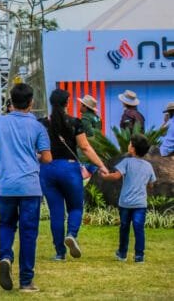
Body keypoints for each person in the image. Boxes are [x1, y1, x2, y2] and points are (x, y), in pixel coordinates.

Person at [0, 83, 52, 293]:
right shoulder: (38, 127)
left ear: (11, 102)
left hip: (6, 185)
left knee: (6, 225)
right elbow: (47, 158)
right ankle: (26, 281)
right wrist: (34, 156)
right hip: (30, 186)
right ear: (31, 103)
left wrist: (2, 154)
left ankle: (5, 256)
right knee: (28, 232)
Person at [39, 88, 110, 261]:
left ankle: (59, 253)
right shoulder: (75, 122)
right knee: (76, 207)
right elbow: (85, 147)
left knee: (56, 212)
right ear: (67, 102)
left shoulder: (42, 123)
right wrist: (101, 165)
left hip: (47, 169)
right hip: (69, 168)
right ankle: (71, 233)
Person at [101, 134, 156, 262]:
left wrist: (105, 176)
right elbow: (151, 184)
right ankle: (139, 256)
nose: (128, 145)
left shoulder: (126, 162)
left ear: (133, 148)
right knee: (139, 228)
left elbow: (115, 176)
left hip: (125, 203)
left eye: (130, 143)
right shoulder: (148, 166)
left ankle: (122, 253)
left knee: (124, 228)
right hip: (140, 204)